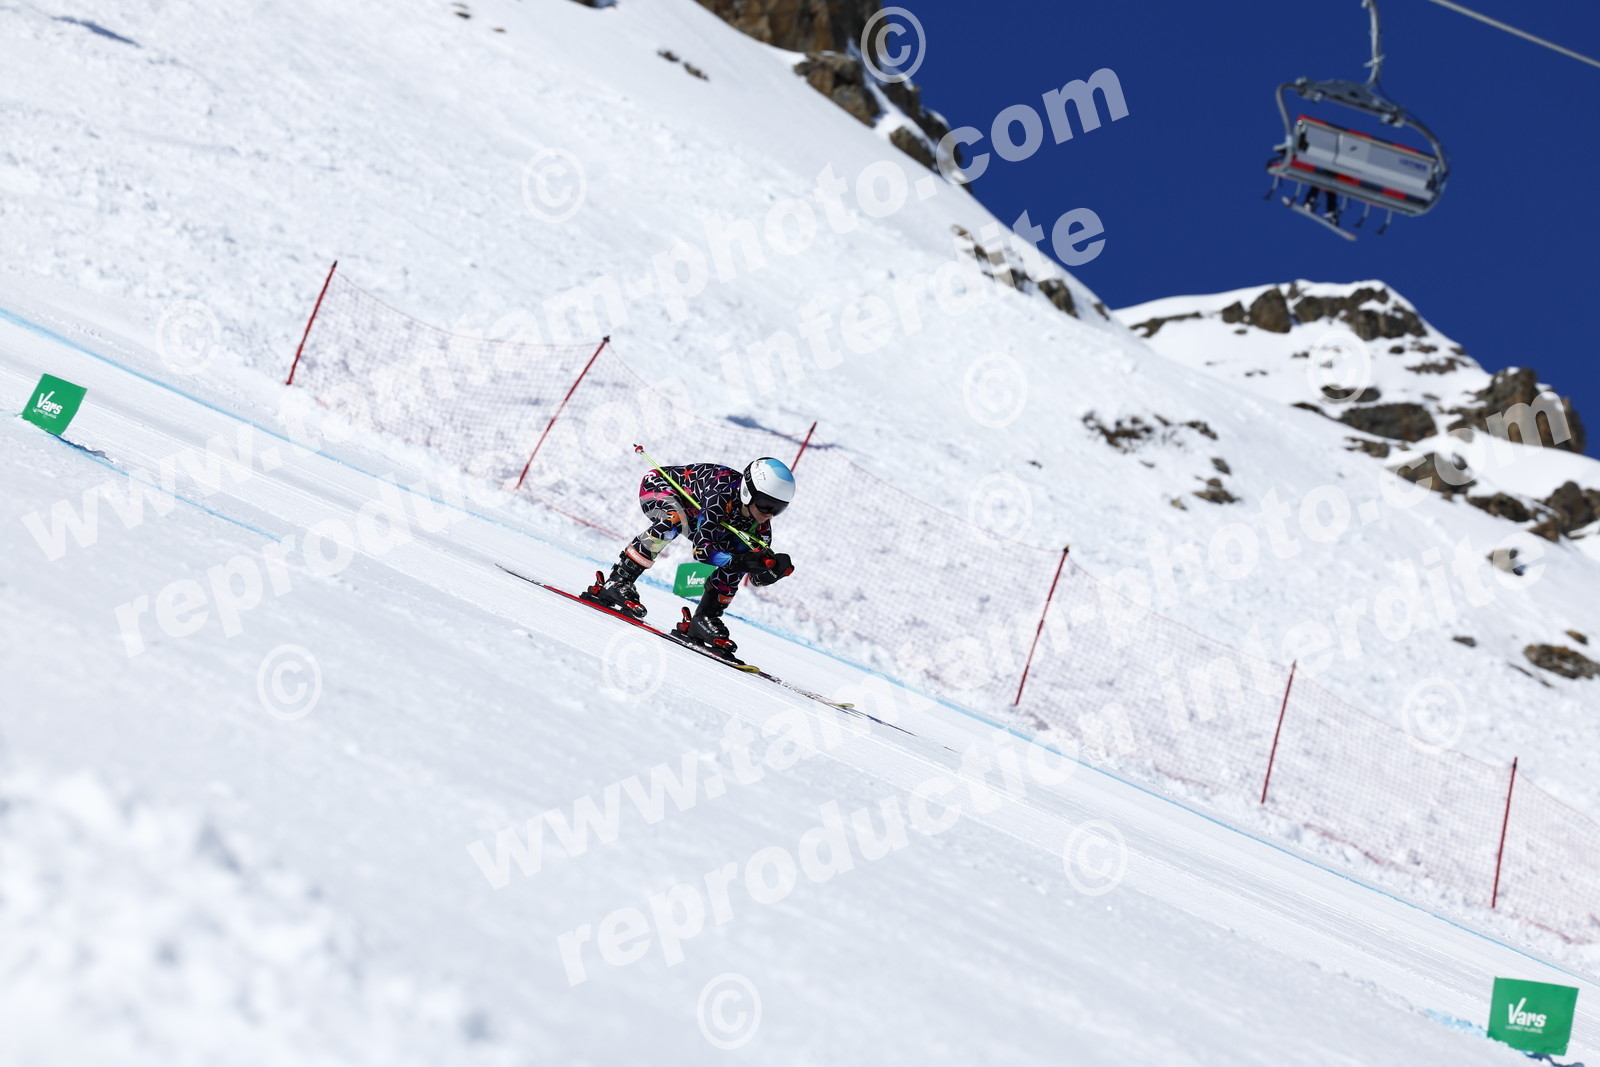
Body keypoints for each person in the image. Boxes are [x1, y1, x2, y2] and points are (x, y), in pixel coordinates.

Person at [584, 456, 796, 657]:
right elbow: (701, 550)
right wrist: (740, 561)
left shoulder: (761, 529)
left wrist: (772, 572)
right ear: (748, 492)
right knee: (675, 518)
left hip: (696, 515)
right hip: (659, 488)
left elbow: (756, 578)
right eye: (765, 504)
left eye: (778, 509)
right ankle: (619, 580)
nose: (769, 514)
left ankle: (704, 619)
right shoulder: (721, 492)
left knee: (741, 554)